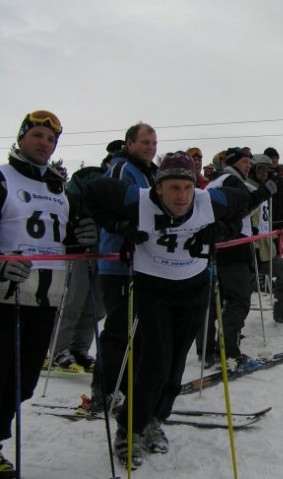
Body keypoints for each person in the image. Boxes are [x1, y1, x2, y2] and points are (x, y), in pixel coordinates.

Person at [84, 151, 251, 468]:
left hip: (193, 288)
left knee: (176, 365)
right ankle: (128, 429)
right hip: (153, 289)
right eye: (173, 187)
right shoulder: (137, 198)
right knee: (156, 361)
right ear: (158, 187)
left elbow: (243, 201)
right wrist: (118, 225)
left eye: (187, 188)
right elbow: (93, 193)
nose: (181, 196)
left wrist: (223, 230)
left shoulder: (208, 200)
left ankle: (154, 420)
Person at [0, 110, 97, 478]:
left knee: (21, 384)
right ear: (22, 137)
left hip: (45, 299)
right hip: (4, 297)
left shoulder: (58, 188)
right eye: (38, 135)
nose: (44, 143)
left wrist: (81, 238)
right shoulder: (3, 178)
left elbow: (59, 239)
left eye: (51, 139)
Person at [90, 122, 159, 413]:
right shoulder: (121, 169)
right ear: (129, 144)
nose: (151, 148)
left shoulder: (152, 174)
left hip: (146, 263)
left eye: (154, 143)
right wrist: (122, 226)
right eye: (145, 142)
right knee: (119, 330)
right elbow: (108, 204)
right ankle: (103, 390)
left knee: (140, 331)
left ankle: (127, 385)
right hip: (118, 263)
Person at [51, 140, 124, 372]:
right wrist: (78, 225)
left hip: (107, 252)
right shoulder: (91, 175)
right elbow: (69, 202)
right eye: (116, 156)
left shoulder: (128, 181)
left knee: (98, 305)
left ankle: (80, 348)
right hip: (82, 249)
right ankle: (58, 349)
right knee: (75, 299)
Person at [207, 148, 277, 360]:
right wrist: (264, 192)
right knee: (239, 301)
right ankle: (228, 350)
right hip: (233, 247)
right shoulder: (232, 180)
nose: (249, 166)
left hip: (218, 246)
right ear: (233, 163)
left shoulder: (216, 180)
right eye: (245, 162)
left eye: (249, 162)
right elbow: (242, 208)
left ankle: (210, 348)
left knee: (216, 302)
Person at [247, 154, 283, 323]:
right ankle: (227, 334)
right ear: (253, 169)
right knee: (242, 288)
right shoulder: (247, 188)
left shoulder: (265, 188)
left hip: (266, 245)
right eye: (261, 169)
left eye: (268, 169)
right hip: (249, 246)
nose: (265, 173)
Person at [263, 147, 283, 233]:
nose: (275, 160)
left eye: (276, 158)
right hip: (266, 210)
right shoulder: (261, 173)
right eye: (272, 158)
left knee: (279, 234)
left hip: (280, 210)